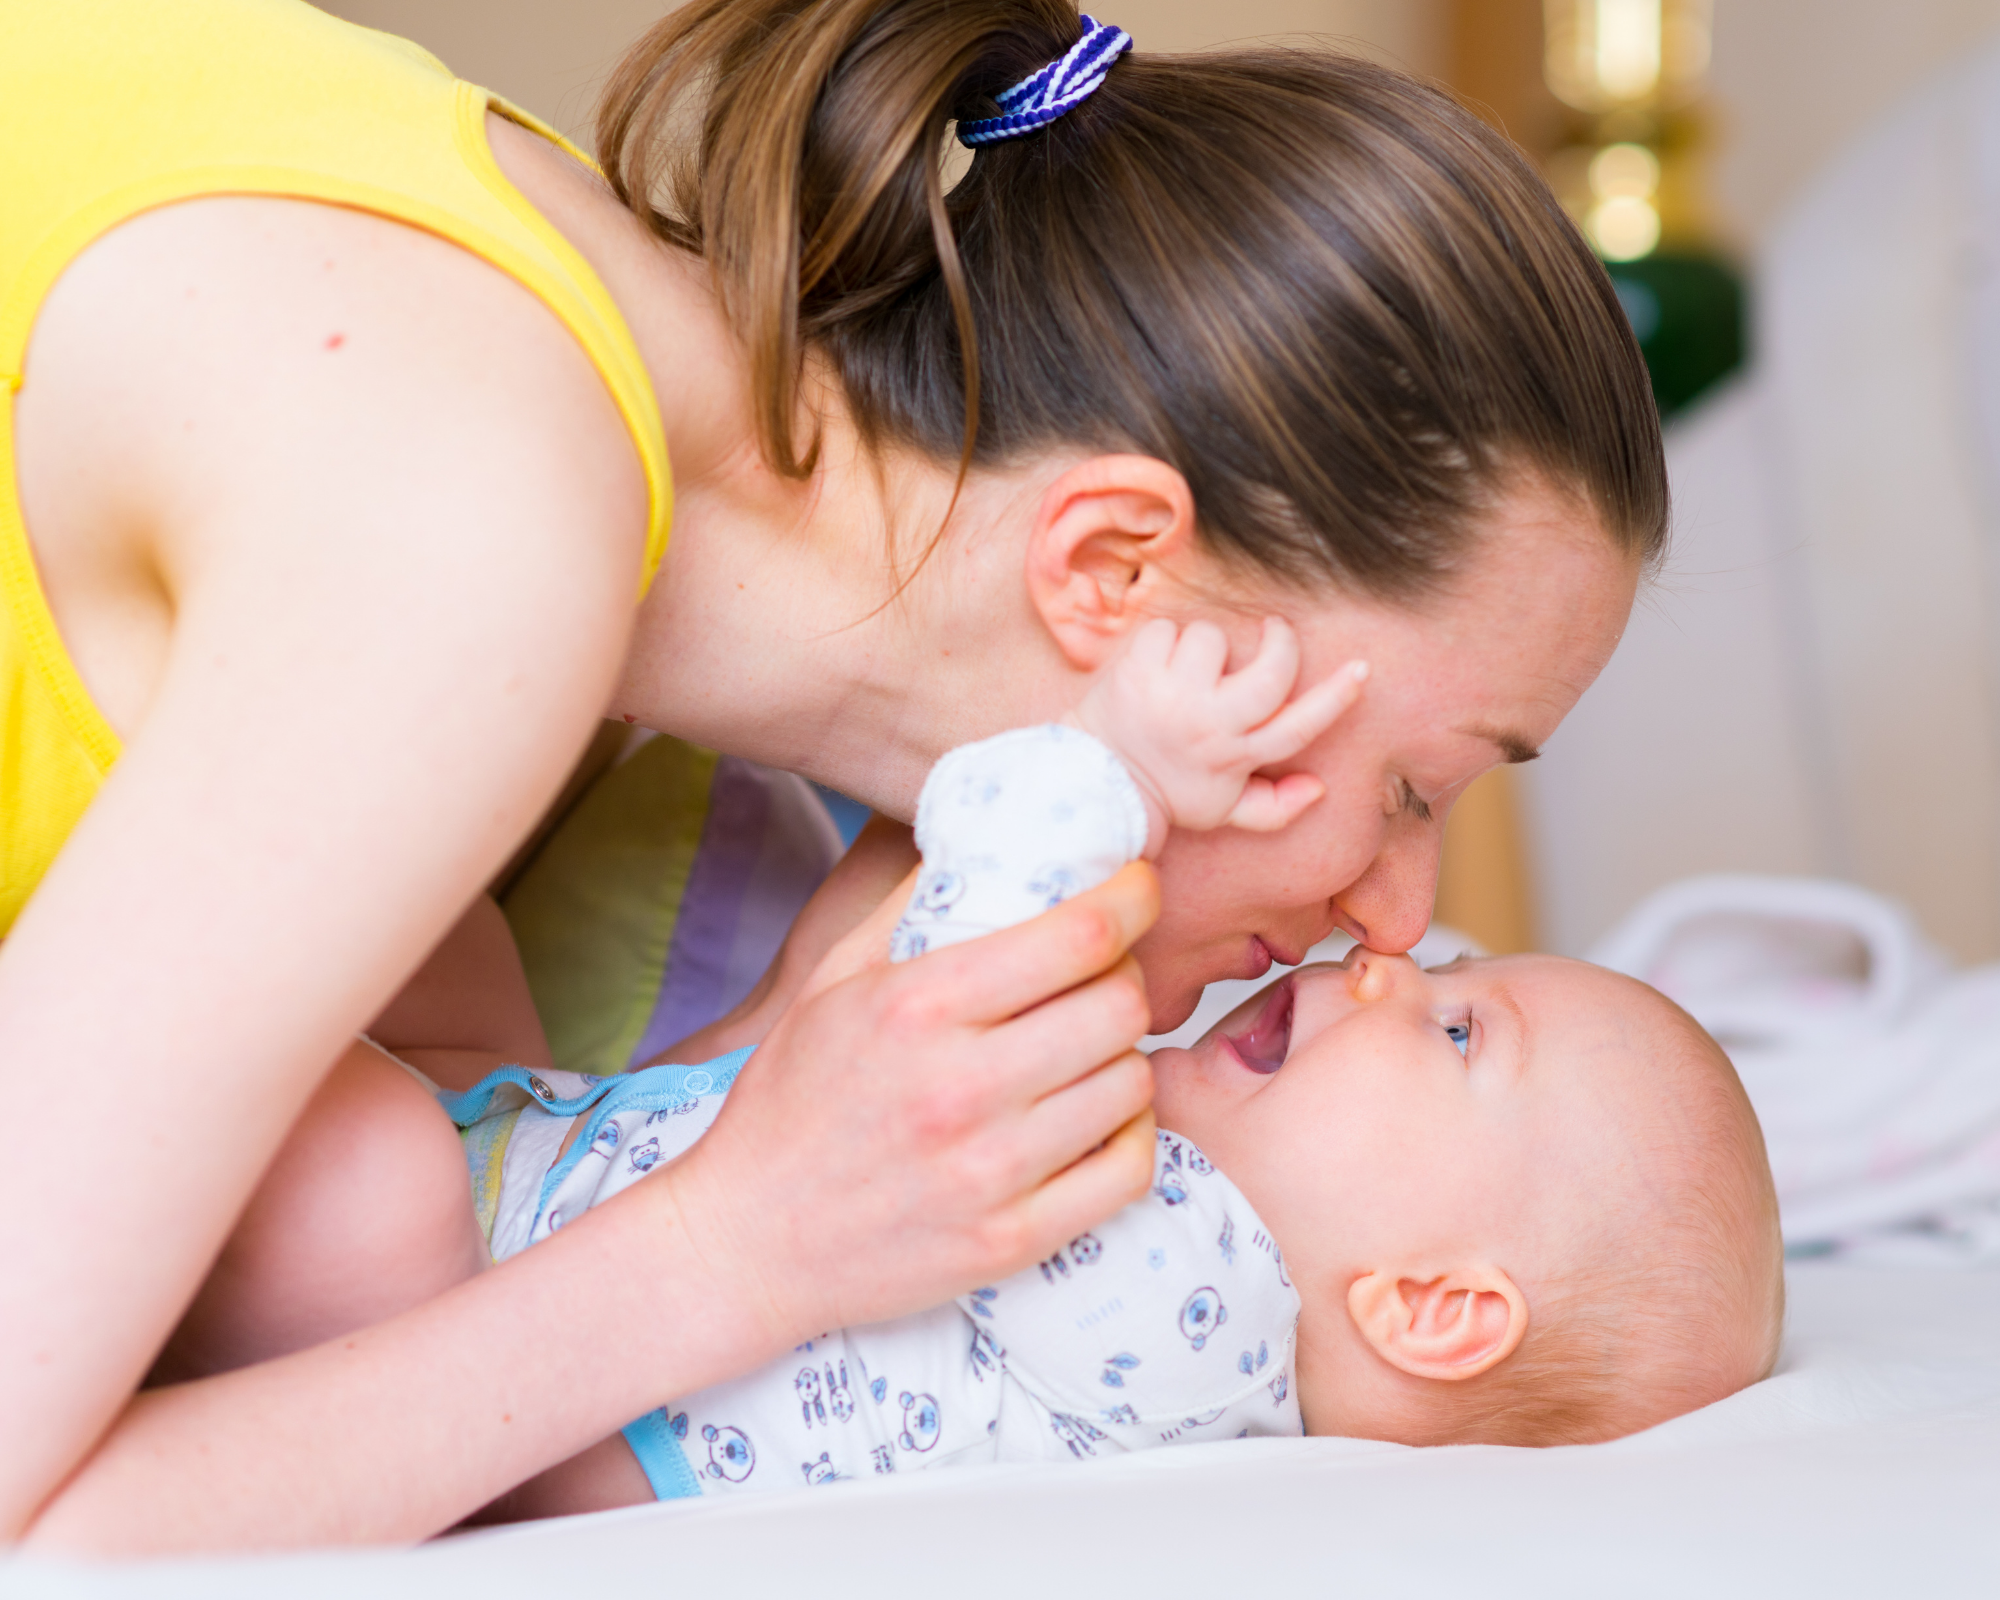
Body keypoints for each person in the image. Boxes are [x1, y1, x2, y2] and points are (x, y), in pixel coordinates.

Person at [0, 0, 1664, 1552]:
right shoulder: (468, 546)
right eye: (1412, 789)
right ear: (1115, 571)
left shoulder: (585, 421)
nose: (1400, 919)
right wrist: (739, 1246)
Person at [155, 623, 1776, 1517]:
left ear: (1431, 1306)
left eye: (1455, 1024)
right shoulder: (1180, 1203)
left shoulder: (1192, 1313)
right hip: (552, 1158)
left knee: (353, 1169)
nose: (1388, 958)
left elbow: (972, 962)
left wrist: (1110, 775)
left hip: (461, 1316)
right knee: (431, 905)